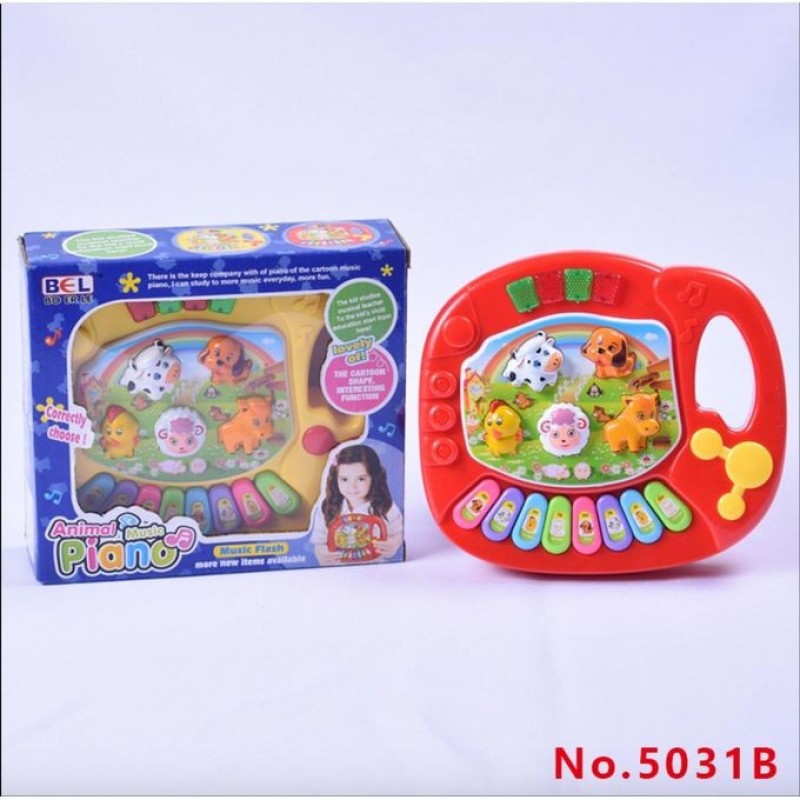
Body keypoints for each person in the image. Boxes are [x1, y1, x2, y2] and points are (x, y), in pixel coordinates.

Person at [311, 445, 403, 566]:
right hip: (337, 570)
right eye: (344, 479)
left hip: (376, 568)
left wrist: (394, 544)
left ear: (374, 478)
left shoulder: (385, 507)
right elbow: (319, 543)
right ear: (335, 479)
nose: (352, 487)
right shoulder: (327, 507)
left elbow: (398, 534)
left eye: (360, 479)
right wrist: (321, 554)